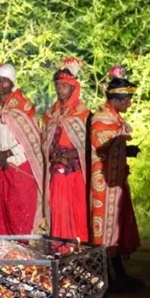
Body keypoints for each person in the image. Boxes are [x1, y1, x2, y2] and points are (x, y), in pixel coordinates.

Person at [91, 66, 142, 290]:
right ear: (118, 99)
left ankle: (117, 274)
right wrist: (123, 146)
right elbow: (102, 147)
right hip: (103, 181)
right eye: (128, 99)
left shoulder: (112, 119)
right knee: (105, 228)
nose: (129, 104)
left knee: (115, 227)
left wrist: (126, 149)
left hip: (114, 181)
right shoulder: (101, 119)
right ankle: (106, 278)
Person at [0, 63, 45, 235]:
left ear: (12, 82)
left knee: (18, 216)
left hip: (20, 167)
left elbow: (32, 141)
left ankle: (19, 258)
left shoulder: (23, 107)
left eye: (4, 81)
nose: (0, 84)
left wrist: (7, 154)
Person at [42, 58, 91, 242]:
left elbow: (89, 145)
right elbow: (45, 143)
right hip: (56, 170)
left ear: (73, 88)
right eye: (58, 85)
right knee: (58, 209)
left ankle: (80, 253)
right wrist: (54, 154)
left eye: (64, 85)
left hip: (76, 173)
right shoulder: (50, 114)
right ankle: (60, 252)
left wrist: (71, 154)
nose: (59, 89)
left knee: (78, 210)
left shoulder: (84, 114)